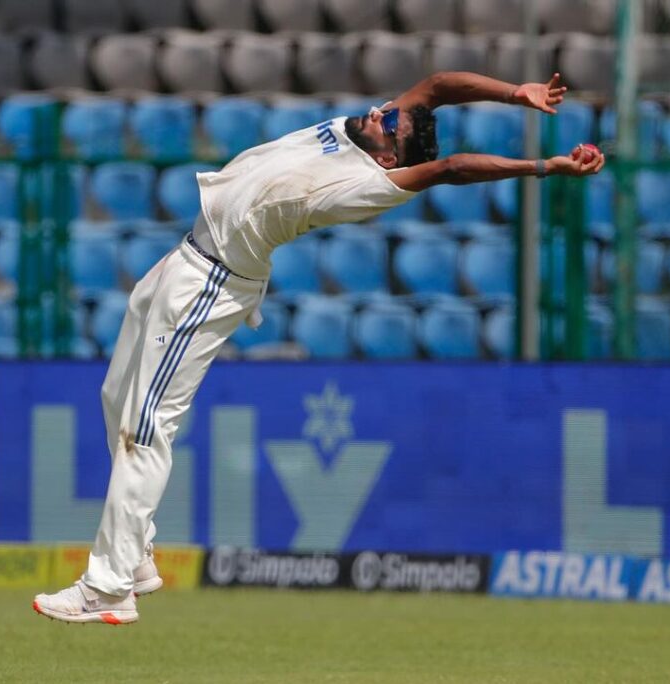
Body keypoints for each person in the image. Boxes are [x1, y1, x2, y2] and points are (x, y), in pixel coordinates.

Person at [32, 71, 606, 624]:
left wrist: (544, 166)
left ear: (389, 159)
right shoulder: (366, 129)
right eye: (391, 112)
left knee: (145, 430)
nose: (382, 113)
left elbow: (452, 167)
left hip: (210, 282)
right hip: (184, 258)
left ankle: (106, 589)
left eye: (390, 125)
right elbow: (436, 86)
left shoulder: (374, 182)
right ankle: (135, 559)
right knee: (117, 400)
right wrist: (516, 93)